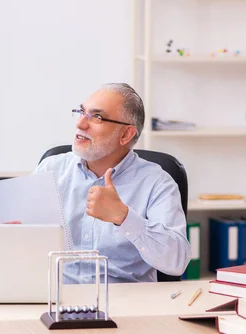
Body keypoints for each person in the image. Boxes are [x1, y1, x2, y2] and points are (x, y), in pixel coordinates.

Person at [34, 83, 190, 283]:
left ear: (125, 134)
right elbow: (24, 244)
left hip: (125, 302)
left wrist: (124, 217)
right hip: (57, 298)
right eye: (81, 112)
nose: (80, 124)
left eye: (97, 117)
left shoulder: (157, 182)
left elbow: (177, 262)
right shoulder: (51, 169)